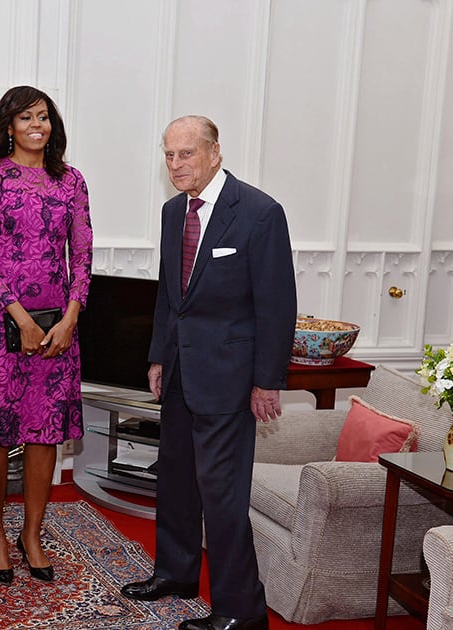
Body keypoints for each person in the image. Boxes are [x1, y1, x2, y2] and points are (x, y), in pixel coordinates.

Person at [119, 116, 296, 630]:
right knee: (173, 480)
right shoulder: (174, 211)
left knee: (221, 495)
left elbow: (277, 304)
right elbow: (168, 297)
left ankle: (241, 610)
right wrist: (157, 356)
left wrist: (267, 380)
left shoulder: (260, 213)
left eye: (186, 154)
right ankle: (175, 574)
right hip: (177, 371)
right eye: (169, 155)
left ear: (215, 152)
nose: (175, 165)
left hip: (230, 377)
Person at [0, 85, 92, 585]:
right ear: (7, 125)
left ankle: (32, 533)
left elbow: (83, 254)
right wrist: (20, 318)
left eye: (44, 117)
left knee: (44, 429)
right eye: (26, 117)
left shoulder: (71, 181)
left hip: (58, 325)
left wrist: (71, 316)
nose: (38, 125)